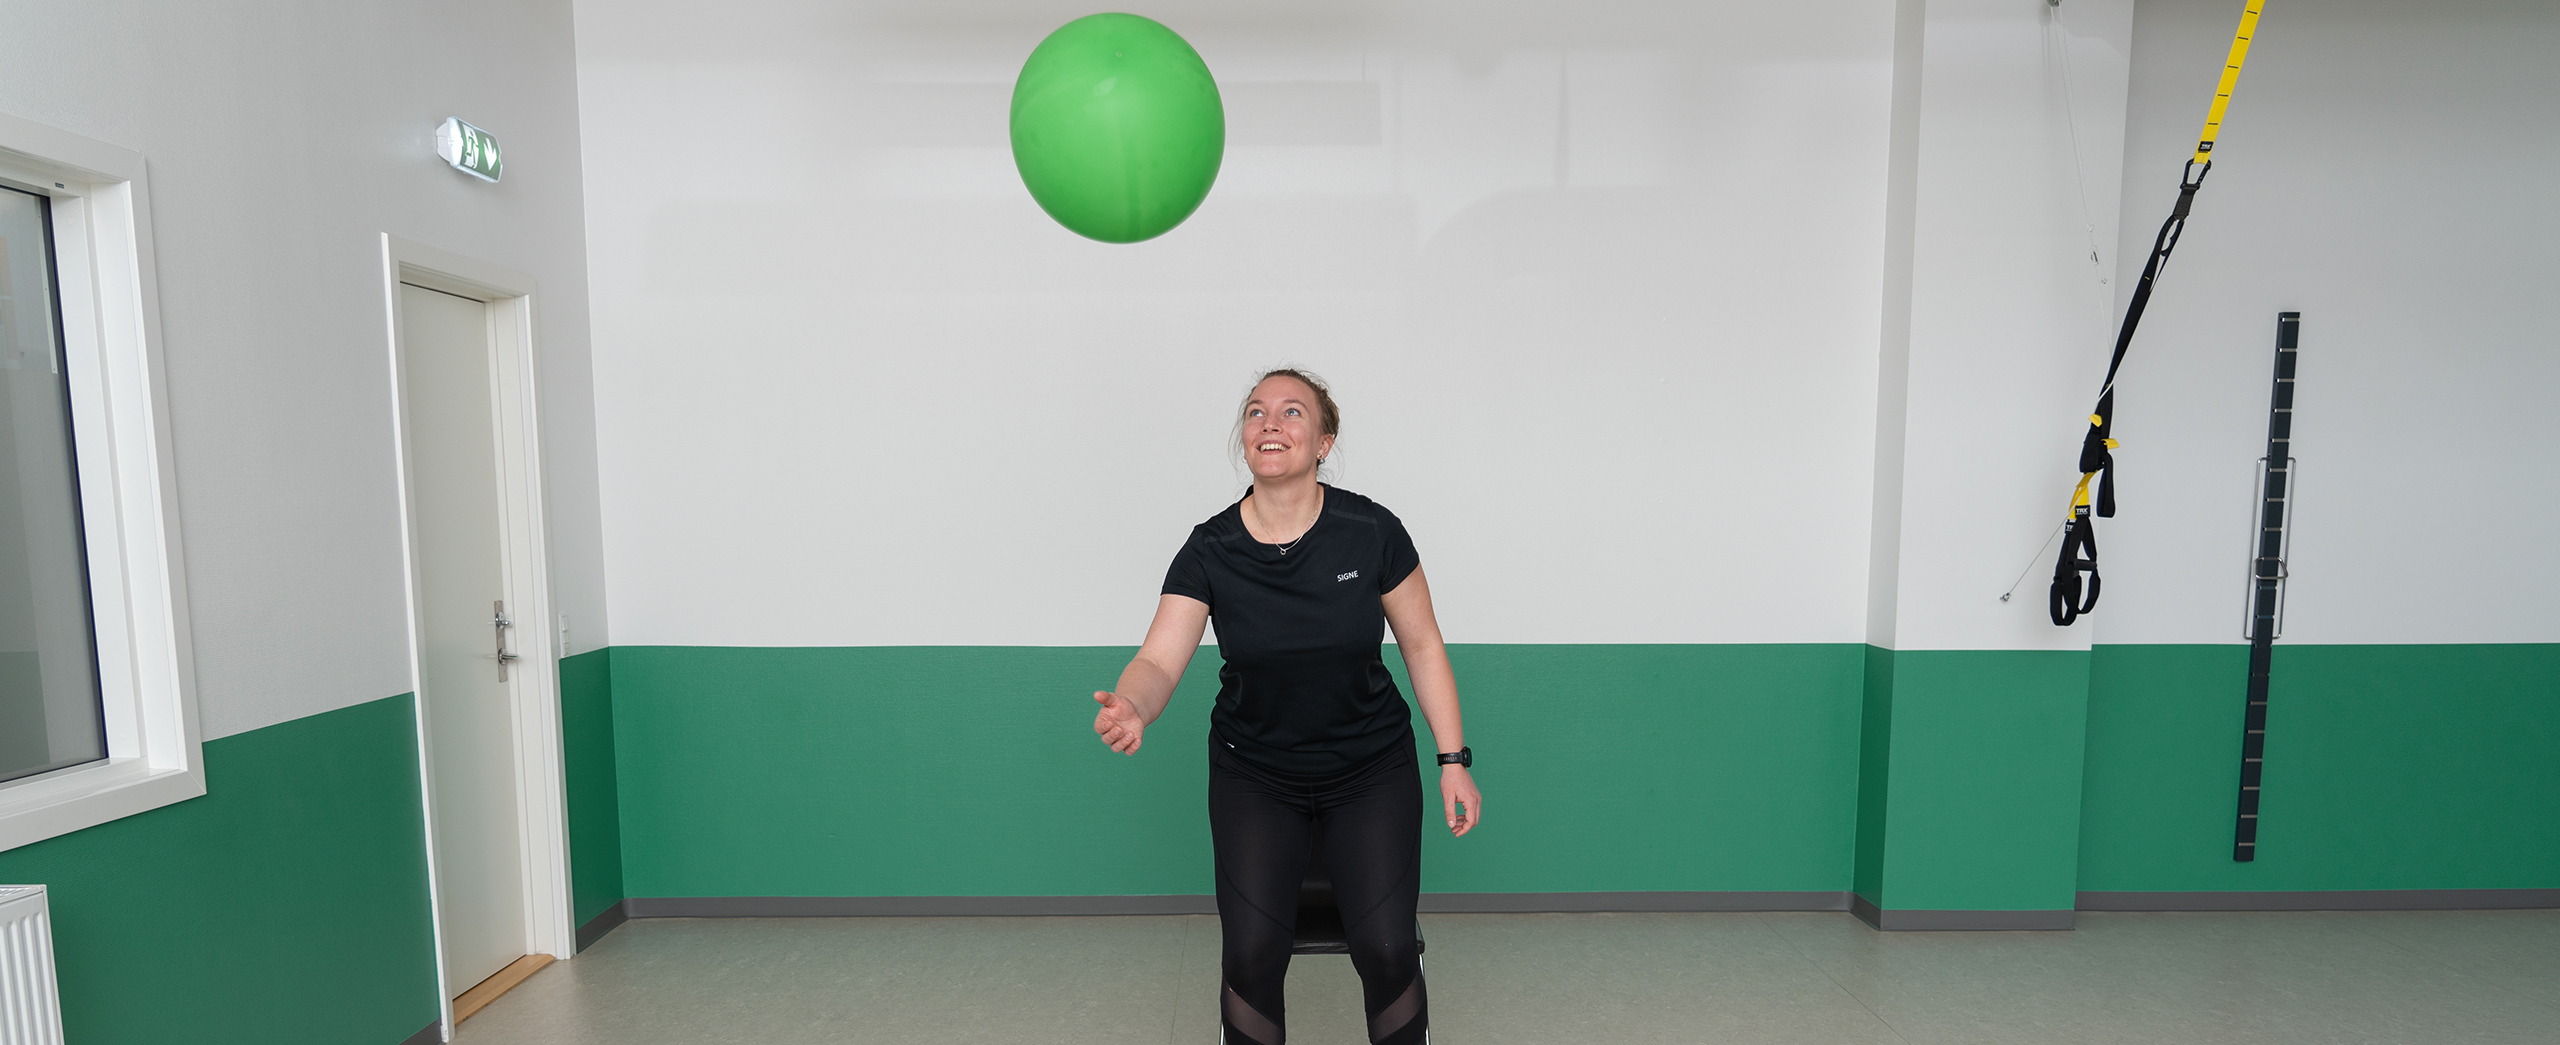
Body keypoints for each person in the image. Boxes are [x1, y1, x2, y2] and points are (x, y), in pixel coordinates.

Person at [1091, 368, 1481, 1045]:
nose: (1270, 422)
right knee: (1250, 957)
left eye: (1292, 411)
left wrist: (1453, 759)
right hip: (1255, 774)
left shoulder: (1371, 530)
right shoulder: (1210, 547)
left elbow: (1421, 645)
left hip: (1370, 768)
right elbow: (1157, 660)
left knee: (1387, 949)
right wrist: (1134, 704)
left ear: (1324, 442)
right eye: (1256, 411)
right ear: (1245, 438)